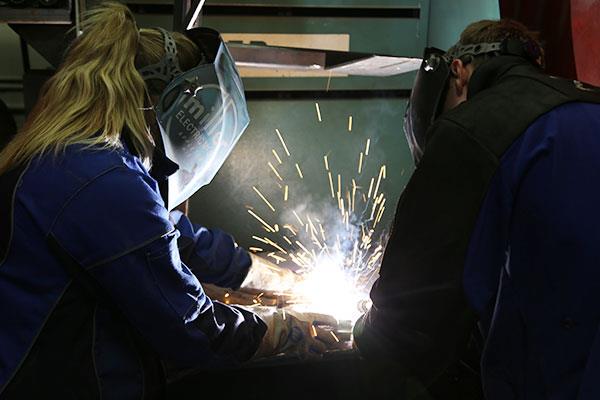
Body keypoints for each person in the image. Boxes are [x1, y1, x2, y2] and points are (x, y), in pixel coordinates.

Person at [0, 3, 332, 398]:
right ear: (179, 108)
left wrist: (272, 277)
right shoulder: (105, 183)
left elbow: (172, 235)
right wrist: (284, 328)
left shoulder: (79, 160)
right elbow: (192, 329)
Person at [353, 19, 600, 400]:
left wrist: (367, 333)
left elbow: (411, 309)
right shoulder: (586, 103)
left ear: (458, 72)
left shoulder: (475, 127)